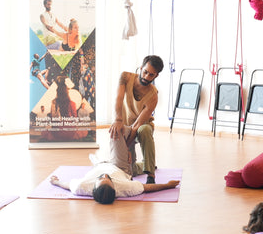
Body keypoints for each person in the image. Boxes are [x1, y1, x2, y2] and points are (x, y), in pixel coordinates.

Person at [49, 125, 180, 204]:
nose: (105, 176)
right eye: (108, 179)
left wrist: (55, 182)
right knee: (115, 133)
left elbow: (66, 185)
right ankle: (138, 164)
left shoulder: (81, 187)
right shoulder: (126, 188)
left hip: (99, 166)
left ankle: (97, 160)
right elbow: (148, 188)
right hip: (121, 166)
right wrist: (168, 185)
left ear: (93, 187)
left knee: (101, 155)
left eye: (101, 178)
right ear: (115, 188)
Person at [109, 55, 164, 184]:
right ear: (140, 68)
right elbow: (118, 99)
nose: (146, 77)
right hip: (124, 126)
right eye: (145, 72)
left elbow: (138, 124)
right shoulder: (125, 77)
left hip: (142, 126)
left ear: (156, 76)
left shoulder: (153, 95)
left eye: (151, 75)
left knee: (144, 129)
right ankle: (143, 165)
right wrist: (117, 120)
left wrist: (127, 147)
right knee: (128, 169)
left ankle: (150, 174)